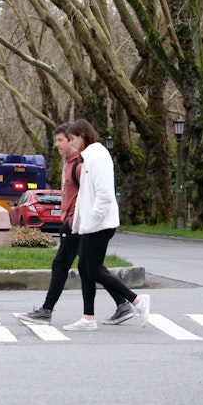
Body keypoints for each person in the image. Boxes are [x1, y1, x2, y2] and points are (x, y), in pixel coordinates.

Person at [15, 125, 134, 326]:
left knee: (63, 265)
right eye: (57, 140)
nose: (57, 145)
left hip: (78, 224)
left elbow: (93, 194)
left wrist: (78, 220)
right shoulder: (70, 163)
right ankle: (120, 304)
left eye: (62, 140)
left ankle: (47, 310)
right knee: (90, 267)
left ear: (74, 140)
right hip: (75, 222)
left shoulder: (81, 165)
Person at [62, 119, 150, 331]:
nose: (71, 143)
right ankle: (88, 317)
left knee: (93, 270)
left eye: (72, 139)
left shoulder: (98, 156)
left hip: (99, 225)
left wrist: (91, 220)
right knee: (85, 268)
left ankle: (136, 300)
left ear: (83, 136)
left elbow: (104, 195)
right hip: (90, 225)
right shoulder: (89, 157)